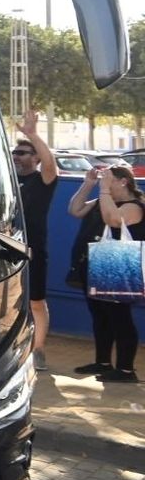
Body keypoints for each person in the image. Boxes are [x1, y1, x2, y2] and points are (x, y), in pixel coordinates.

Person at [65, 164, 141, 383]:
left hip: (117, 264)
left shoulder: (135, 206)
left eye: (108, 179)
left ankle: (126, 370)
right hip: (94, 262)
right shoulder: (102, 200)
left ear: (123, 181)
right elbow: (75, 210)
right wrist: (88, 184)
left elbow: (114, 220)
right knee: (100, 315)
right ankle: (103, 362)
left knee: (120, 317)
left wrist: (104, 191)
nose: (103, 183)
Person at [11, 109, 58, 371]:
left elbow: (51, 164)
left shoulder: (42, 180)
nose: (16, 156)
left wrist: (33, 135)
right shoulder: (6, 181)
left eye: (22, 152)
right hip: (6, 249)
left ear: (36, 157)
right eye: (15, 152)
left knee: (36, 302)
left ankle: (38, 349)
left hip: (34, 250)